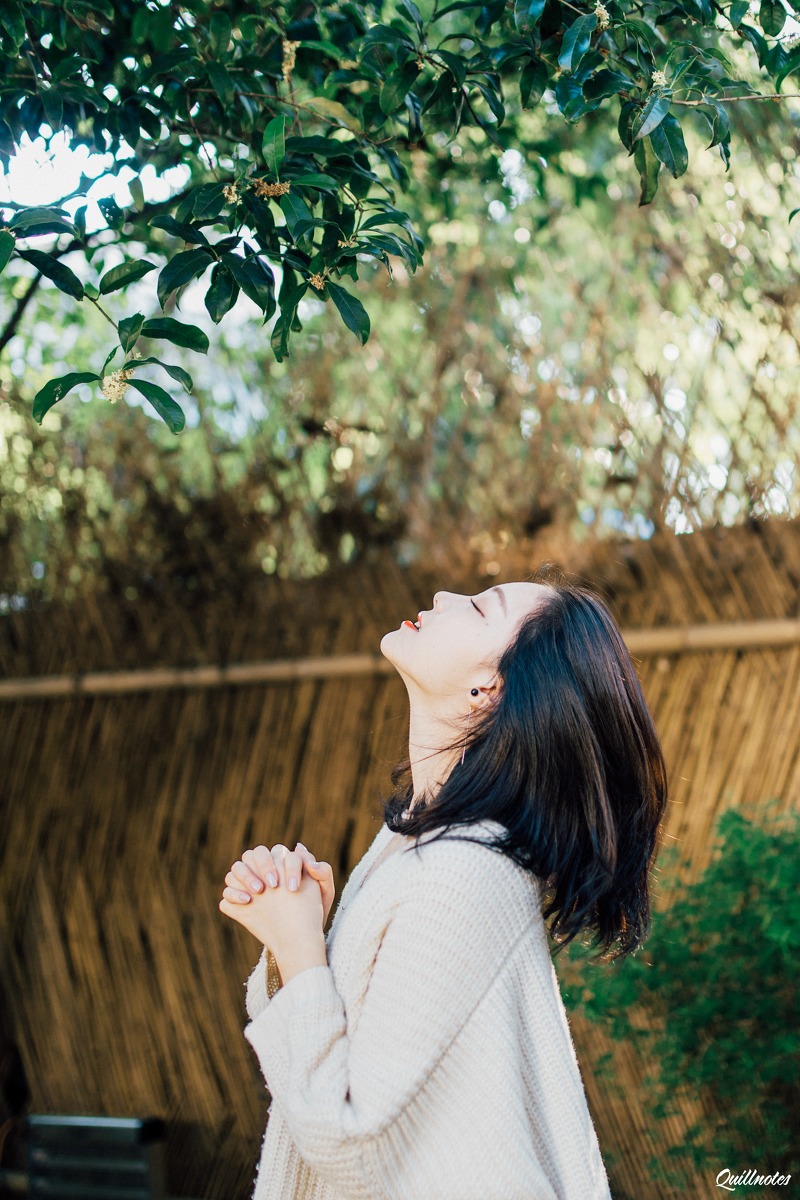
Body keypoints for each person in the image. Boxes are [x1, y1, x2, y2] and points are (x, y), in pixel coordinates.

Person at [219, 567, 668, 1200]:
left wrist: (298, 948)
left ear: (489, 687)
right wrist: (301, 943)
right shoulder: (417, 846)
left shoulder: (464, 874)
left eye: (482, 610)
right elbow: (363, 1067)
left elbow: (356, 1144)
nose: (443, 598)